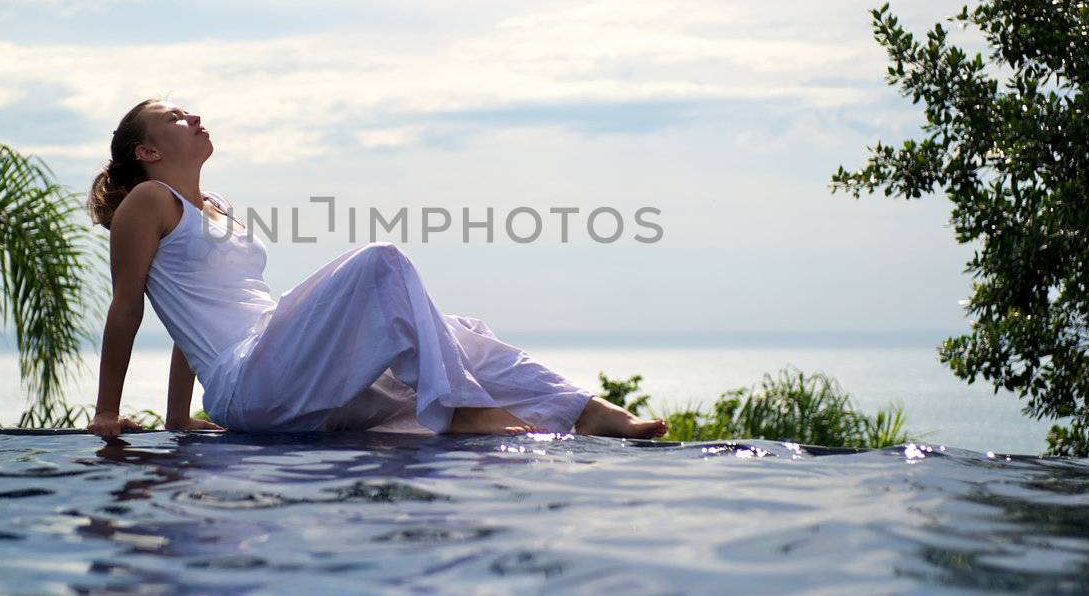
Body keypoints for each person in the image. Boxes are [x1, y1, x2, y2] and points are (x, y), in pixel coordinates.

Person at [84, 99, 669, 441]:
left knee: (461, 331)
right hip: (251, 384)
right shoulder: (148, 202)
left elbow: (197, 319)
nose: (194, 116)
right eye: (175, 116)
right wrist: (108, 411)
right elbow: (127, 307)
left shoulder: (219, 209)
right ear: (147, 152)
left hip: (278, 369)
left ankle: (586, 412)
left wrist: (180, 416)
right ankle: (461, 409)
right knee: (380, 263)